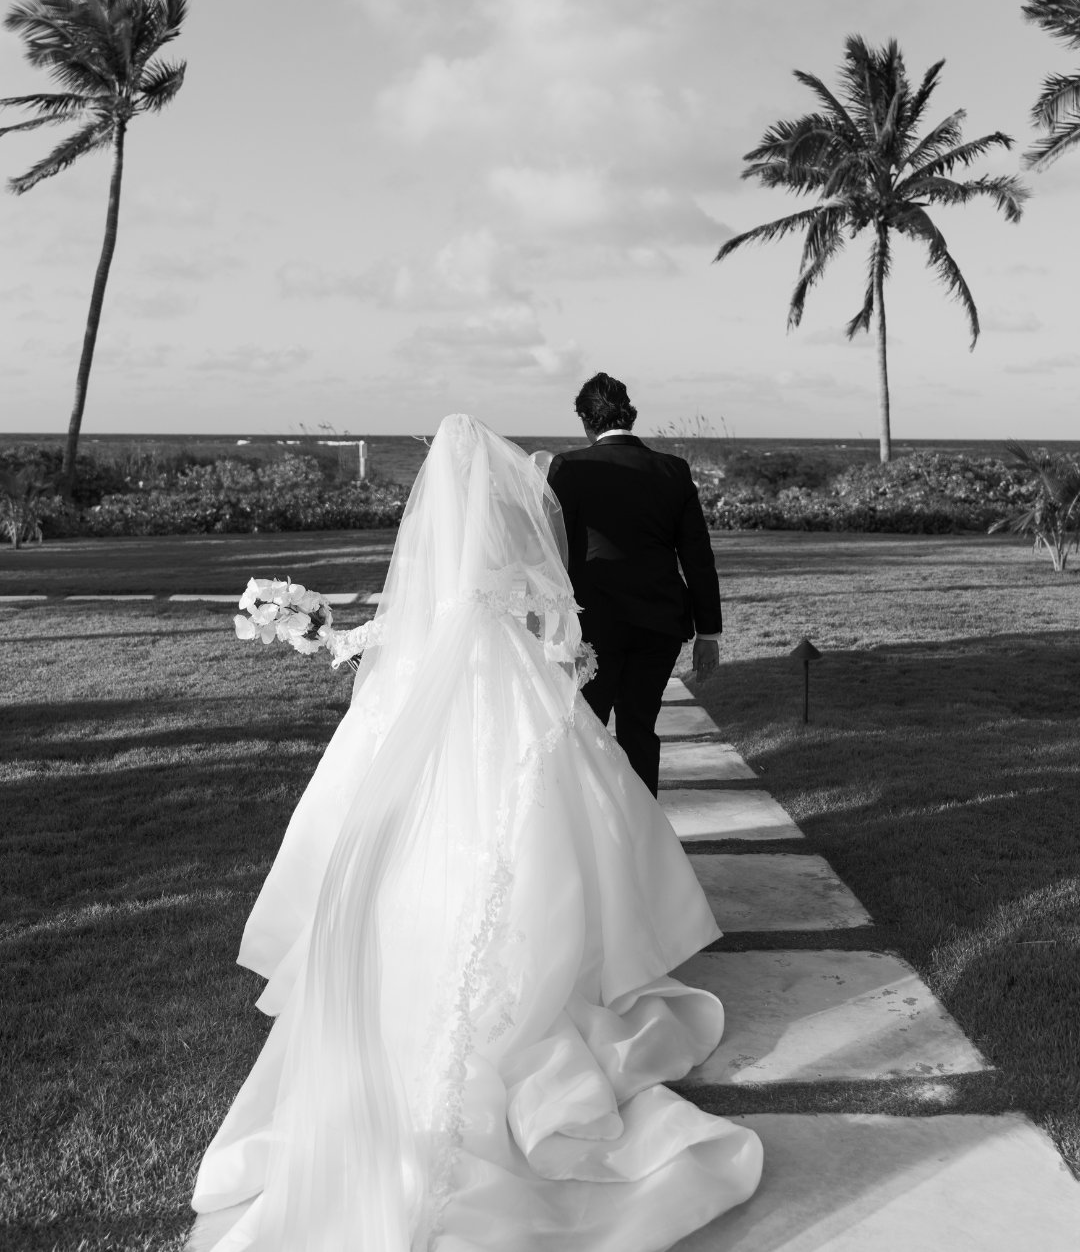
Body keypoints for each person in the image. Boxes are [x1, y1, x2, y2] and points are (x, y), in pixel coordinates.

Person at [186, 414, 761, 1252]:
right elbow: (558, 629)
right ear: (498, 499)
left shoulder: (426, 569)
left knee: (424, 830)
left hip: (432, 694)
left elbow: (389, 629)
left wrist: (316, 628)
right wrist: (569, 657)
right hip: (510, 689)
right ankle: (559, 972)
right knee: (549, 826)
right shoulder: (518, 555)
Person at [547, 374, 722, 796]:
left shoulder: (569, 468)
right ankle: (645, 839)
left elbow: (551, 552)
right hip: (659, 624)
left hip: (592, 628)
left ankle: (598, 835)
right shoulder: (673, 470)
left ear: (587, 421)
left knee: (586, 732)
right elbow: (697, 556)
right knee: (639, 728)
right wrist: (709, 632)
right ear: (630, 413)